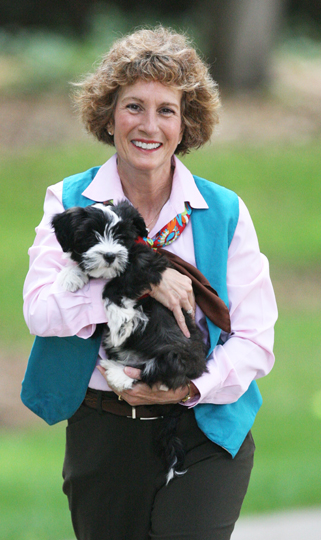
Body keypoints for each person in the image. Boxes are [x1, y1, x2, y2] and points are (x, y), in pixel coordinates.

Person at [22, 26, 277, 540]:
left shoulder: (223, 211)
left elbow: (256, 341)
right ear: (109, 115)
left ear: (186, 125)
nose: (149, 125)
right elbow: (41, 312)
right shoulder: (69, 200)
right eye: (133, 106)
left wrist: (188, 389)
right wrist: (141, 282)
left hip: (206, 422)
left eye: (167, 110)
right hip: (105, 426)